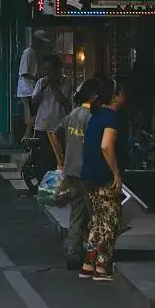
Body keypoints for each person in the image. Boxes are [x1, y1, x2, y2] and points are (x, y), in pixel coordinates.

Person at [80, 79, 122, 283]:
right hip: (103, 177)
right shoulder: (110, 118)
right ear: (115, 97)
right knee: (109, 221)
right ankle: (101, 266)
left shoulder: (95, 116)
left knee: (96, 221)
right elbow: (106, 146)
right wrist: (116, 173)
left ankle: (88, 264)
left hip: (89, 176)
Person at [57, 78, 98, 271]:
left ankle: (73, 254)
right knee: (95, 215)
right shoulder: (92, 117)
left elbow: (57, 130)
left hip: (71, 170)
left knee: (77, 213)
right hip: (86, 172)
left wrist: (64, 153)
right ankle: (95, 255)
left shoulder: (73, 114)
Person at [31, 54, 71, 176]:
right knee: (45, 158)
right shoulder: (40, 83)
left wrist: (53, 86)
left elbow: (64, 101)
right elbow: (34, 102)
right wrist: (42, 88)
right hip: (42, 127)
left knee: (58, 158)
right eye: (46, 69)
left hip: (58, 128)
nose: (47, 73)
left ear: (58, 70)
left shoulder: (65, 83)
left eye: (50, 69)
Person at [17, 30, 51, 139]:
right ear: (36, 40)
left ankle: (27, 136)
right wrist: (37, 79)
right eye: (41, 42)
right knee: (31, 113)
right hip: (27, 88)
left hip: (30, 87)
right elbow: (24, 72)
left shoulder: (33, 53)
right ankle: (27, 137)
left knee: (32, 112)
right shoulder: (28, 53)